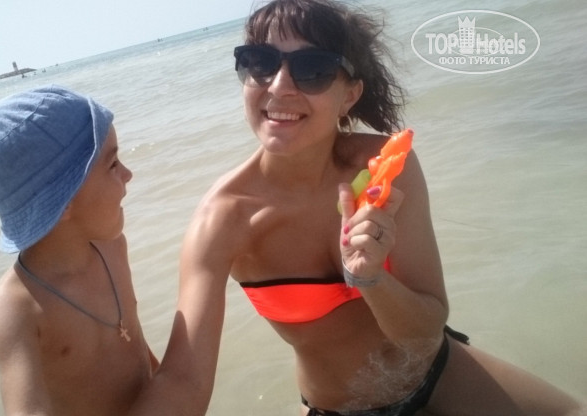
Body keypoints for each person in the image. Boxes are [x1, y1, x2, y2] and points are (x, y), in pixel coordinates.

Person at [172, 1, 587, 415]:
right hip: (339, 409)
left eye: (313, 69)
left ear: (350, 95)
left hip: (439, 372)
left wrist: (371, 279)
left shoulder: (384, 167)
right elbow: (183, 381)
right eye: (260, 63)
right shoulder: (224, 220)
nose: (279, 86)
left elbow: (425, 329)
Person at [0, 85, 211, 415]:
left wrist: (166, 389)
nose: (128, 174)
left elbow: (134, 344)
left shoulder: (112, 247)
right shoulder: (16, 307)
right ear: (63, 201)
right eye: (112, 165)